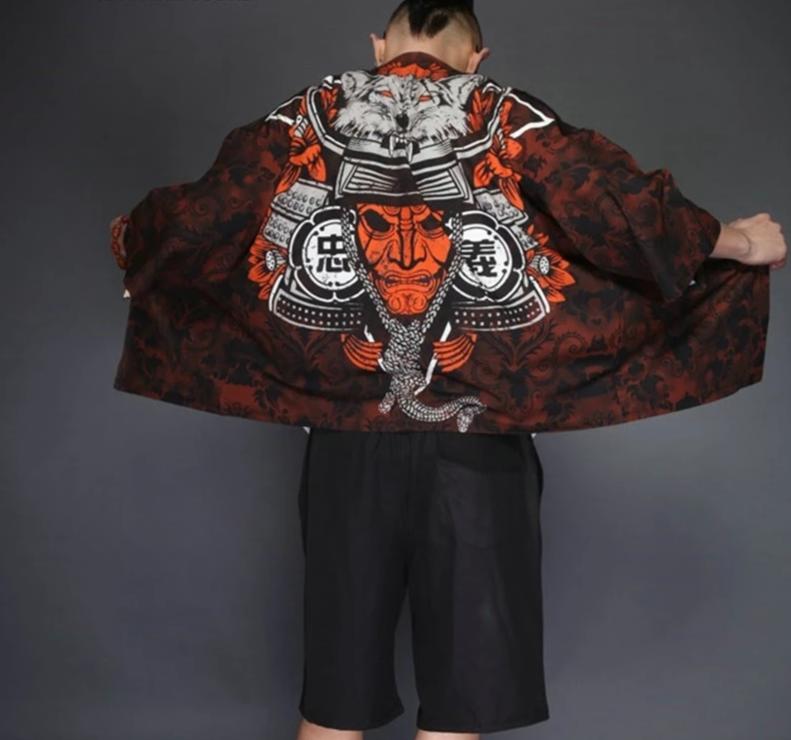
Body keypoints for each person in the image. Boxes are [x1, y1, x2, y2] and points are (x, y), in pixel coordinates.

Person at [108, 1, 785, 738]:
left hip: (346, 439)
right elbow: (619, 210)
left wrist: (135, 249)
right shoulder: (505, 113)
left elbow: (203, 216)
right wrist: (737, 241)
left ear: (379, 45)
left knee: (332, 702)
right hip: (478, 436)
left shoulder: (307, 114)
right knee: (461, 708)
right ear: (475, 57)